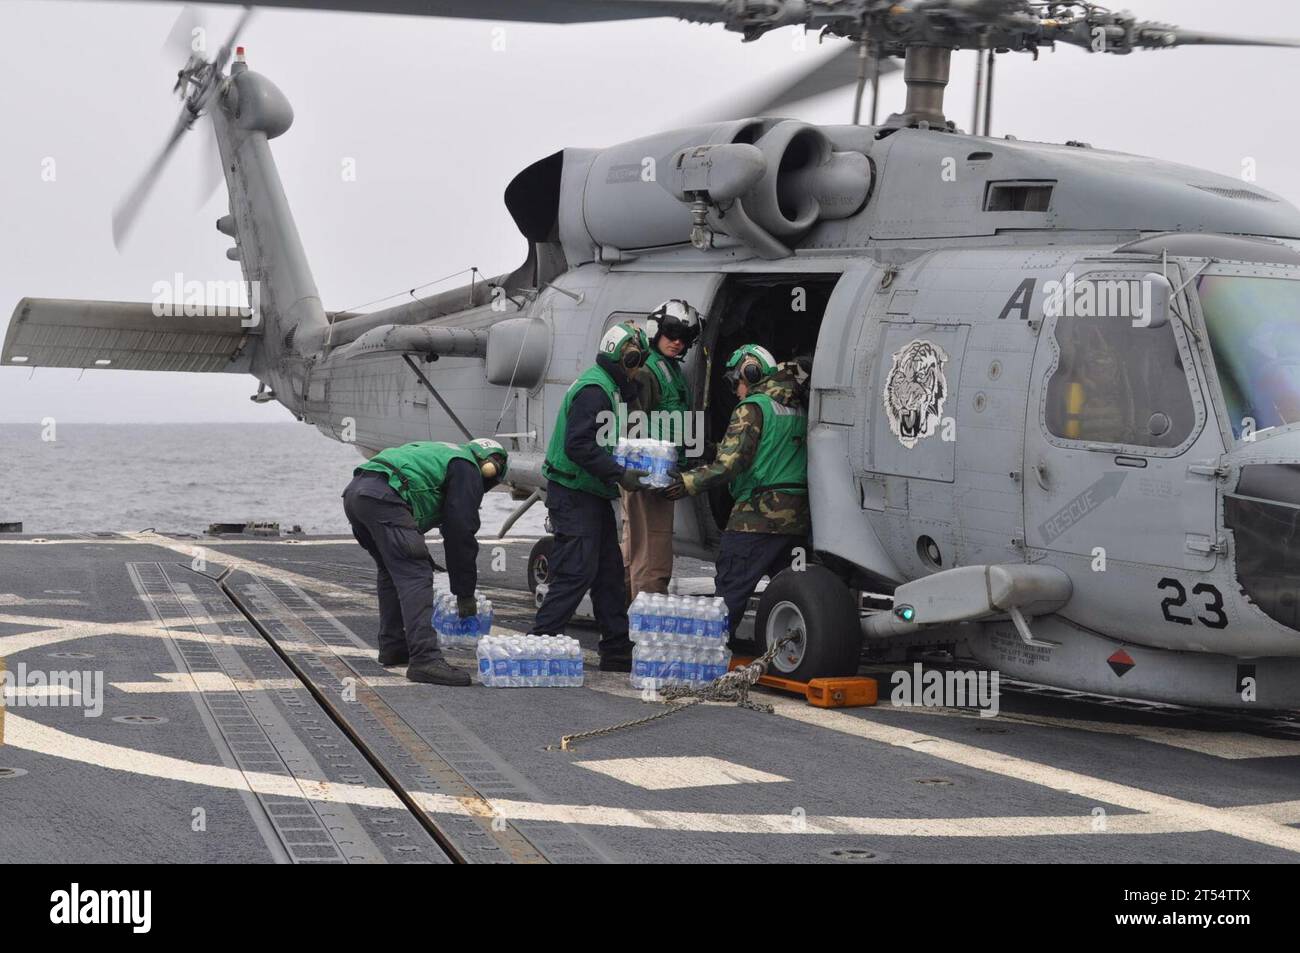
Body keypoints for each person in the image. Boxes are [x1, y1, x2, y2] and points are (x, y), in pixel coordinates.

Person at [665, 345, 810, 652]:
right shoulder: (797, 406)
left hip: (754, 519)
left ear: (751, 373)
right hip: (796, 522)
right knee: (794, 590)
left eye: (736, 381)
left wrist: (687, 481)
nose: (736, 391)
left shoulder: (753, 407)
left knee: (730, 592)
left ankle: (709, 656)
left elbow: (730, 465)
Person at [342, 437, 509, 686]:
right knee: (415, 575)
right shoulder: (468, 468)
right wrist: (464, 593)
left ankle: (393, 646)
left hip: (356, 493)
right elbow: (460, 532)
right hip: (385, 497)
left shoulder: (446, 453)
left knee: (391, 571)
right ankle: (425, 660)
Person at [533, 322, 650, 671]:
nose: (639, 370)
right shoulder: (595, 391)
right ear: (628, 358)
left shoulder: (608, 386)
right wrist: (620, 474)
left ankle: (616, 649)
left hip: (590, 491)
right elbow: (579, 445)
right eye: (638, 362)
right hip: (574, 492)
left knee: (609, 574)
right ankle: (540, 641)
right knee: (577, 570)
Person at [621, 299, 702, 599]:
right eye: (671, 333)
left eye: (685, 337)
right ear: (657, 330)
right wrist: (648, 471)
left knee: (636, 544)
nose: (678, 341)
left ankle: (621, 607)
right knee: (653, 548)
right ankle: (647, 612)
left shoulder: (669, 369)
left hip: (655, 473)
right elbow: (632, 427)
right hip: (649, 475)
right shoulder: (648, 371)